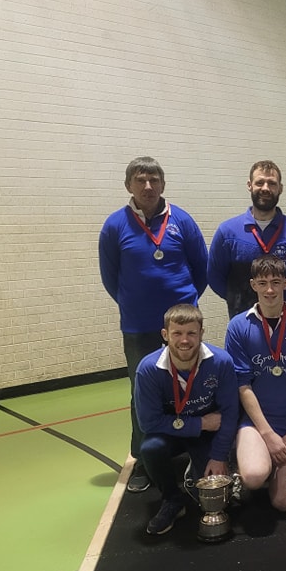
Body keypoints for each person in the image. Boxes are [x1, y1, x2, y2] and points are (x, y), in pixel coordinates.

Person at [99, 156, 208, 494]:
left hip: (183, 325)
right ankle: (144, 460)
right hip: (138, 325)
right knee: (141, 390)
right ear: (128, 185)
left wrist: (182, 309)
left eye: (154, 180)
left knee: (191, 386)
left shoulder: (182, 221)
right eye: (140, 180)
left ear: (163, 184)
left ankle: (192, 451)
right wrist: (135, 303)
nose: (148, 186)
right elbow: (110, 277)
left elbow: (201, 269)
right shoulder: (115, 225)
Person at [224, 255, 286, 512]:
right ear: (253, 285)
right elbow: (242, 384)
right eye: (263, 283)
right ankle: (252, 461)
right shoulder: (238, 326)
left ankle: (271, 464)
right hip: (256, 423)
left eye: (276, 282)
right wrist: (268, 435)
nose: (270, 290)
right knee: (254, 476)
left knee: (283, 504)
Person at [134, 304, 239, 535]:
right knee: (150, 448)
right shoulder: (148, 369)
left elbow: (230, 412)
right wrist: (200, 423)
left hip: (208, 435)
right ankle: (172, 499)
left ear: (201, 333)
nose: (184, 340)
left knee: (217, 497)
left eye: (191, 333)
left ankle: (206, 466)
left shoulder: (221, 362)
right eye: (177, 333)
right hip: (174, 432)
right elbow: (148, 423)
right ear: (165, 335)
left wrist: (219, 455)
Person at [207, 160, 286, 317]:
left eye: (272, 183)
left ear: (280, 188)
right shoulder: (227, 233)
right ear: (249, 185)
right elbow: (214, 277)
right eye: (260, 182)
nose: (265, 188)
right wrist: (237, 300)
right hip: (245, 321)